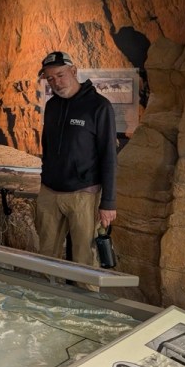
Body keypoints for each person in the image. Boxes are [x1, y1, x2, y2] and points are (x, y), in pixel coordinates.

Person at [35, 50, 117, 267]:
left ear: (73, 70)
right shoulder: (52, 106)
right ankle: (43, 299)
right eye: (50, 78)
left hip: (84, 195)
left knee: (85, 260)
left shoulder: (99, 107)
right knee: (44, 256)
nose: (56, 82)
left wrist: (108, 202)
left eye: (60, 75)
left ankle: (86, 300)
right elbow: (48, 146)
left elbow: (109, 156)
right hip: (50, 193)